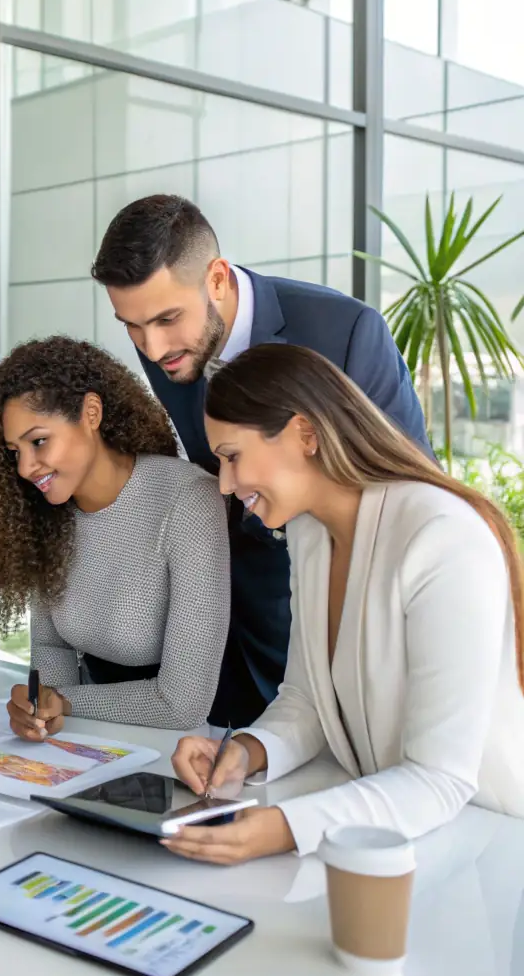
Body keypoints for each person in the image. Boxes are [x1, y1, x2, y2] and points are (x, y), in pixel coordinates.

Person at [164, 343, 524, 866]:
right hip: (387, 842)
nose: (225, 483)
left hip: (486, 847)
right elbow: (308, 699)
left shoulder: (442, 537)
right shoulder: (311, 532)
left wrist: (286, 827)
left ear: (304, 434)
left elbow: (441, 777)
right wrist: (245, 751)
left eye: (232, 457)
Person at [92, 194, 429, 728]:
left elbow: (409, 487)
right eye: (132, 326)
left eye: (165, 319)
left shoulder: (346, 333)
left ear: (218, 280)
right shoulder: (162, 338)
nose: (152, 348)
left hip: (335, 615)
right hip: (228, 621)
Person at [0, 336, 230, 736]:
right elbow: (52, 648)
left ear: (91, 412)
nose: (25, 468)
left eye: (38, 442)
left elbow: (182, 705)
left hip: (185, 748)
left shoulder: (188, 501)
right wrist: (41, 710)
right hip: (86, 738)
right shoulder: (48, 513)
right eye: (15, 452)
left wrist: (65, 703)